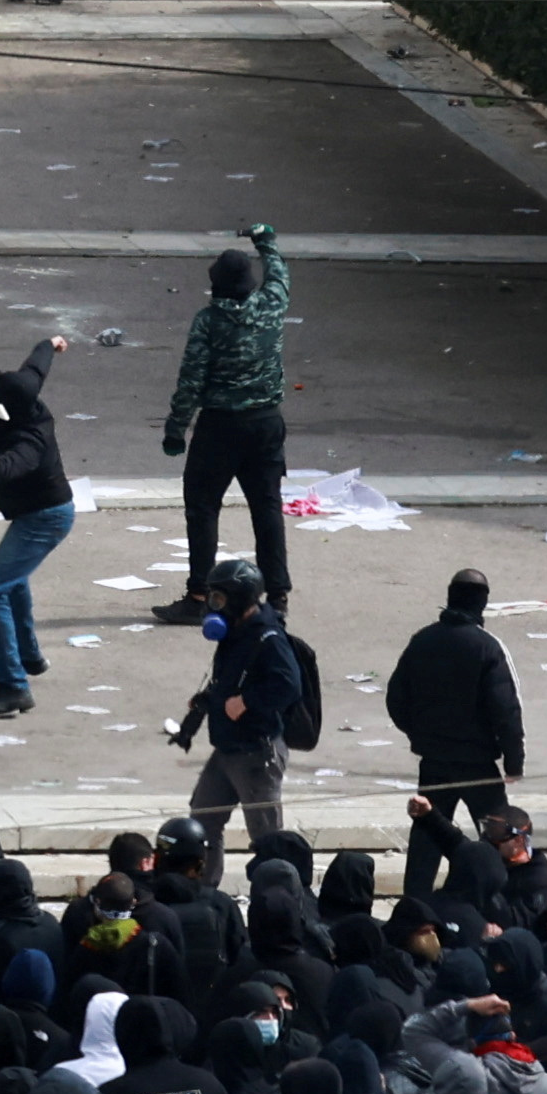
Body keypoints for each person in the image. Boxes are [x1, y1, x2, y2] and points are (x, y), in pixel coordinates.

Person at [159, 217, 288, 611]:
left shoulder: (209, 322)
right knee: (266, 506)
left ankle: (200, 593)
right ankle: (278, 594)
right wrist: (264, 240)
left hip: (220, 426)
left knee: (202, 507)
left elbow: (191, 381)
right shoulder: (271, 305)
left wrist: (176, 429)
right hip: (266, 422)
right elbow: (279, 272)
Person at [387, 566, 525, 890]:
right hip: (478, 764)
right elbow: (506, 709)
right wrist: (513, 760)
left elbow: (396, 698)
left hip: (434, 760)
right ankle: (504, 899)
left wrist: (419, 735)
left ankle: (415, 904)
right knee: (499, 835)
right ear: (482, 603)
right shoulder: (488, 647)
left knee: (426, 837)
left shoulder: (422, 641)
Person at [0, 331, 73, 716]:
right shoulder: (27, 392)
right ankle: (29, 657)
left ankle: (13, 686)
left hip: (44, 518)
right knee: (12, 579)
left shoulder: (30, 441)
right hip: (38, 512)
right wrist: (52, 342)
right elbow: (37, 365)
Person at [166, 555, 304, 856]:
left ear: (239, 600)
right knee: (202, 824)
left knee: (266, 838)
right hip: (227, 747)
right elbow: (234, 678)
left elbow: (289, 685)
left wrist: (247, 702)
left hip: (256, 753)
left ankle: (277, 895)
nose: (212, 606)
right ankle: (204, 893)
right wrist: (209, 701)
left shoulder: (268, 637)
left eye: (218, 598)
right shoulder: (237, 632)